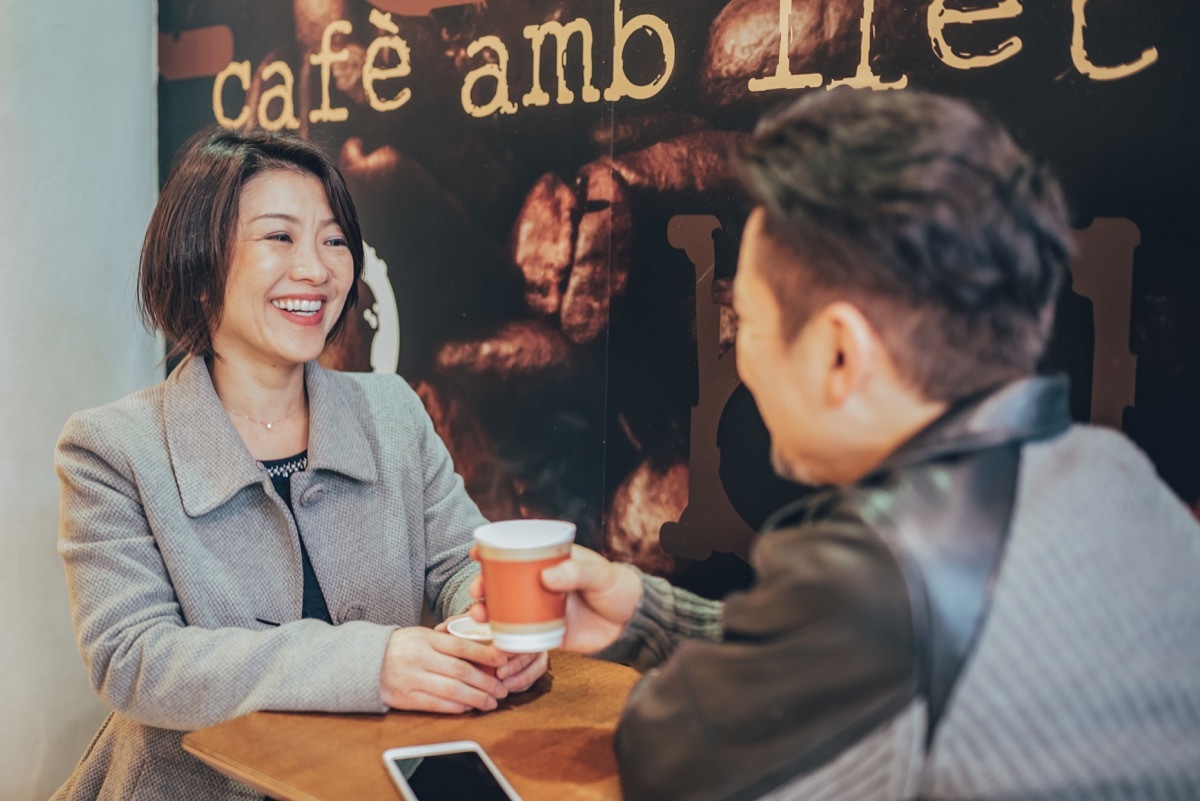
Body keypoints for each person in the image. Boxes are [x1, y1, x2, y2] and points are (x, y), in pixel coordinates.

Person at [471, 89, 1200, 799]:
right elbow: (845, 662)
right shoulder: (1117, 474)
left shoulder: (882, 568)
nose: (740, 353)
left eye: (746, 319)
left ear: (839, 353)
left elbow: (670, 753)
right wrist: (647, 612)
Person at [52, 128, 547, 800]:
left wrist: (491, 620)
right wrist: (372, 665)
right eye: (279, 237)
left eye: (334, 239)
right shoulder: (111, 447)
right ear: (200, 257)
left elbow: (459, 562)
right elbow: (134, 657)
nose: (317, 268)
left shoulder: (392, 408)